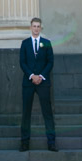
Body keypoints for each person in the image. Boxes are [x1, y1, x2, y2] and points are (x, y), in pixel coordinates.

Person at [19, 17, 57, 152]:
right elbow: (22, 62)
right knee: (26, 113)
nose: (36, 28)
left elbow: (50, 62)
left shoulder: (46, 43)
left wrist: (41, 76)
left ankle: (51, 142)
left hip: (43, 82)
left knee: (47, 112)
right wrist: (32, 76)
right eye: (34, 26)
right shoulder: (25, 43)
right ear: (30, 27)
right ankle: (24, 142)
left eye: (38, 26)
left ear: (41, 28)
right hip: (28, 82)